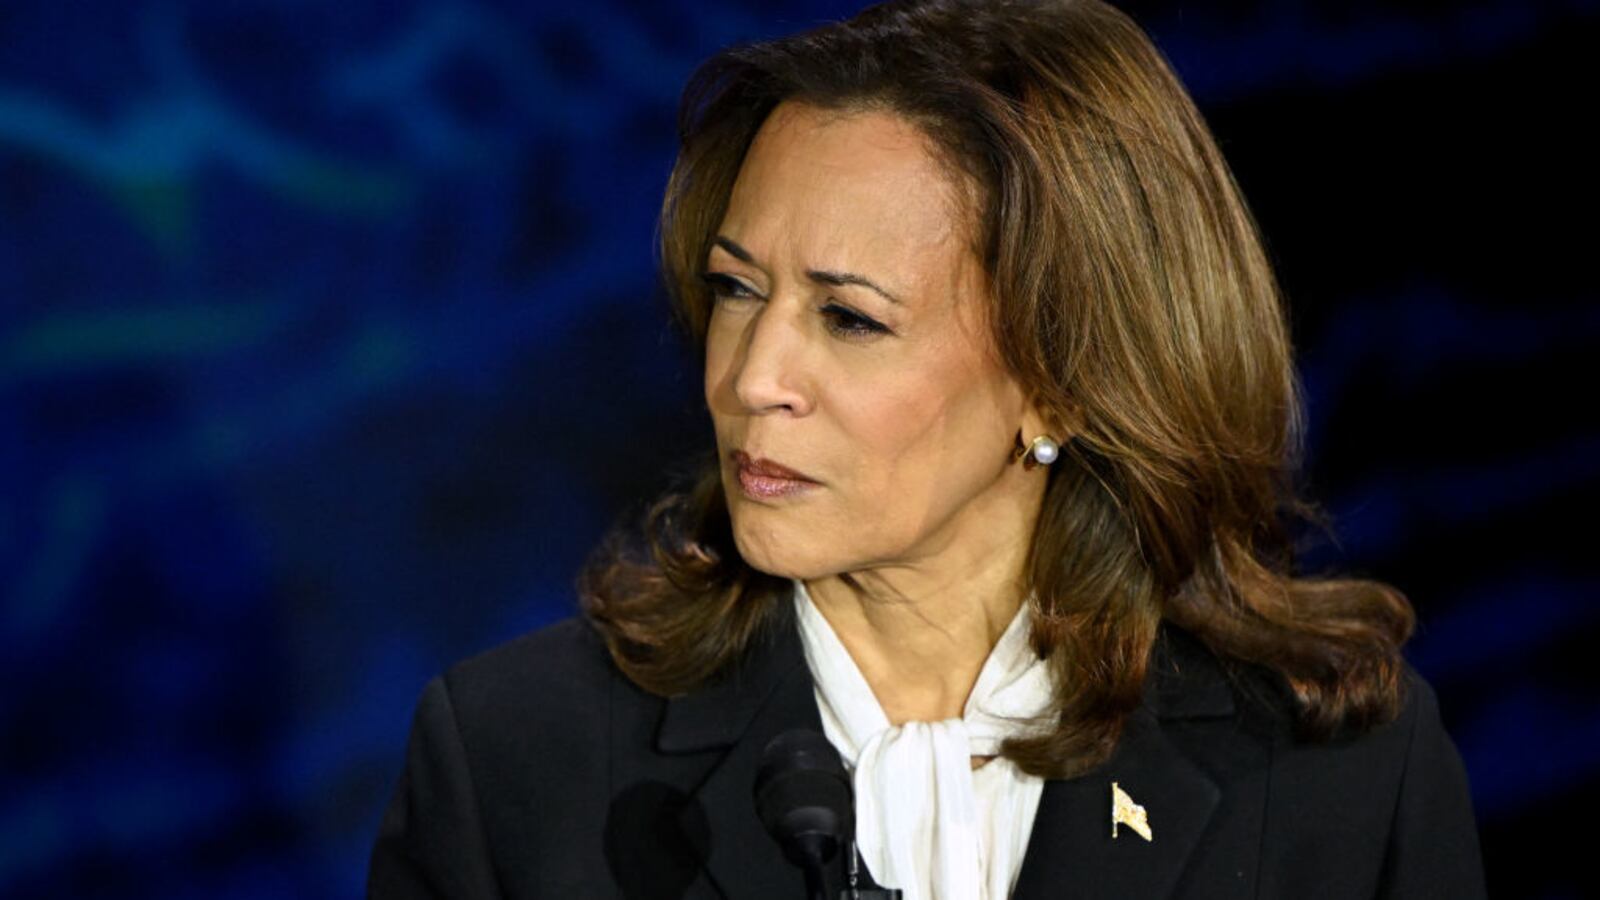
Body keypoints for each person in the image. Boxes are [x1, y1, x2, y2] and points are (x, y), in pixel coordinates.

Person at [367, 1, 1487, 897]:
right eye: (733, 291)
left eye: (850, 319)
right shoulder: (518, 762)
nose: (751, 378)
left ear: (1063, 382)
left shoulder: (1336, 777)